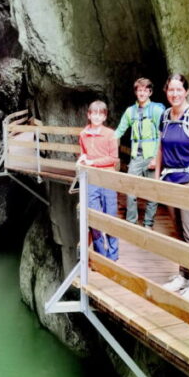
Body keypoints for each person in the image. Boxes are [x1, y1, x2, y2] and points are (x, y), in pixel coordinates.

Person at [154, 74, 189, 302]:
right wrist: (155, 180)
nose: (174, 94)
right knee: (178, 233)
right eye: (170, 90)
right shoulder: (165, 116)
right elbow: (160, 148)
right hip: (170, 181)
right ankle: (183, 275)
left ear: (185, 91)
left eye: (178, 89)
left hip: (188, 181)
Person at [115, 78, 165, 228]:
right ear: (136, 92)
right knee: (130, 189)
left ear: (150, 92)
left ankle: (148, 223)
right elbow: (119, 130)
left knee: (152, 192)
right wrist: (104, 141)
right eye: (139, 90)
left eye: (145, 90)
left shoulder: (156, 110)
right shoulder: (131, 111)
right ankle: (132, 222)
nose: (142, 93)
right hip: (136, 157)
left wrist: (156, 158)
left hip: (152, 156)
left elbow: (162, 134)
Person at [78, 100, 119, 262]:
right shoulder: (83, 134)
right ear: (89, 115)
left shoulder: (110, 134)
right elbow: (84, 153)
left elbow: (113, 159)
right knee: (94, 218)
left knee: (110, 215)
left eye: (100, 114)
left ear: (104, 116)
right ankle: (100, 256)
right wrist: (83, 159)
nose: (96, 116)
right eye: (93, 113)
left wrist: (92, 162)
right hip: (91, 179)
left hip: (108, 178)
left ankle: (113, 256)